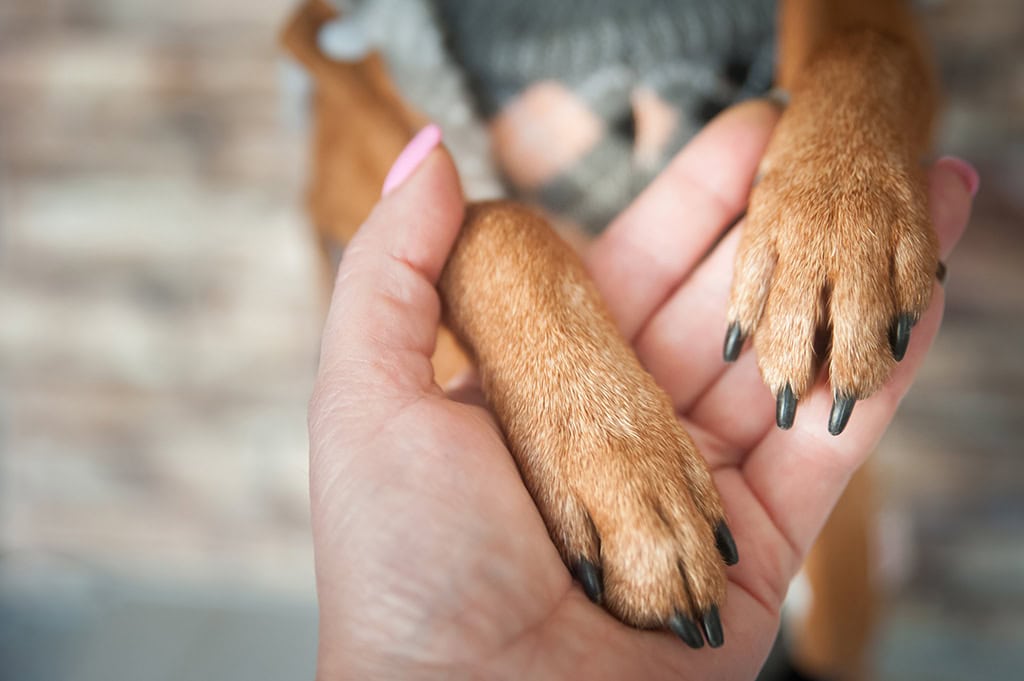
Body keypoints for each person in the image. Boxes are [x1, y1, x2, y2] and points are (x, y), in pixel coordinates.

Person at [306, 101, 977, 680]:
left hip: (775, 462)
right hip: (674, 478)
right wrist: (509, 294)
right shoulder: (360, 52)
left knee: (835, 619)